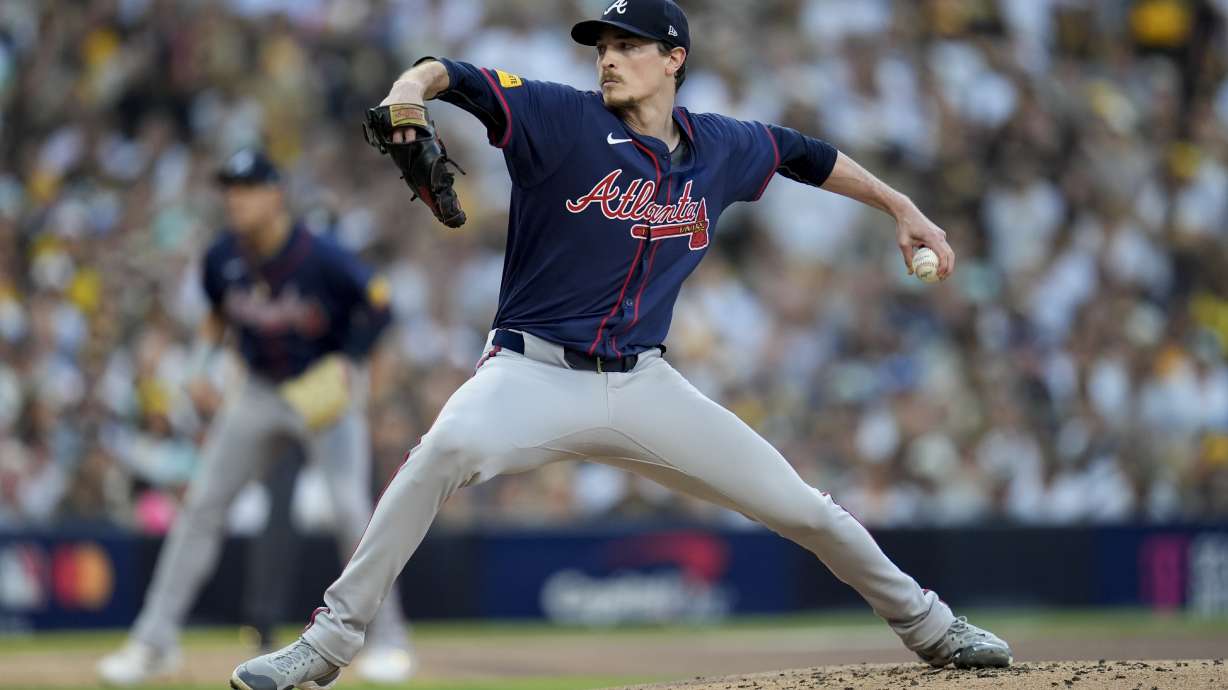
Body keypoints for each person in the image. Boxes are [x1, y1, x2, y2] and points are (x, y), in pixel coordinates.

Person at [232, 2, 1012, 688]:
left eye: (629, 43)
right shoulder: (560, 118)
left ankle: (934, 629)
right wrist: (409, 90)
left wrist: (899, 204)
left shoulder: (723, 147)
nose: (608, 56)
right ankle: (328, 645)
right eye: (601, 44)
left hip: (645, 386)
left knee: (805, 510)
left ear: (673, 59)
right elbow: (456, 75)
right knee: (437, 454)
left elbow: (806, 154)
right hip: (529, 375)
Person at [98, 149, 414, 686]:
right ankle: (153, 641)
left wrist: (353, 368)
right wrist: (200, 365)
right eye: (230, 188)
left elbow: (380, 305)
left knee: (349, 510)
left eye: (247, 188)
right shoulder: (222, 256)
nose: (235, 198)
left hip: (322, 393)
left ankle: (389, 640)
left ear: (276, 195)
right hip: (259, 390)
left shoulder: (322, 256)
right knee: (201, 507)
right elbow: (219, 315)